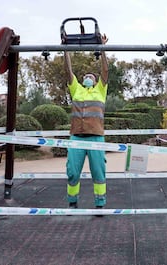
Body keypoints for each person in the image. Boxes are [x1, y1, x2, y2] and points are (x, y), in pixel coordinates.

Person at [64, 34, 109, 212]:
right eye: (85, 76)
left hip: (96, 138)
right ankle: (72, 201)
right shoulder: (77, 90)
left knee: (98, 172)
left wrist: (103, 47)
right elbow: (68, 72)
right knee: (73, 172)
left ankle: (100, 203)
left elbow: (105, 71)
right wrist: (65, 50)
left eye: (91, 76)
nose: (87, 77)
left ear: (96, 81)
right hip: (76, 138)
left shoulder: (100, 90)